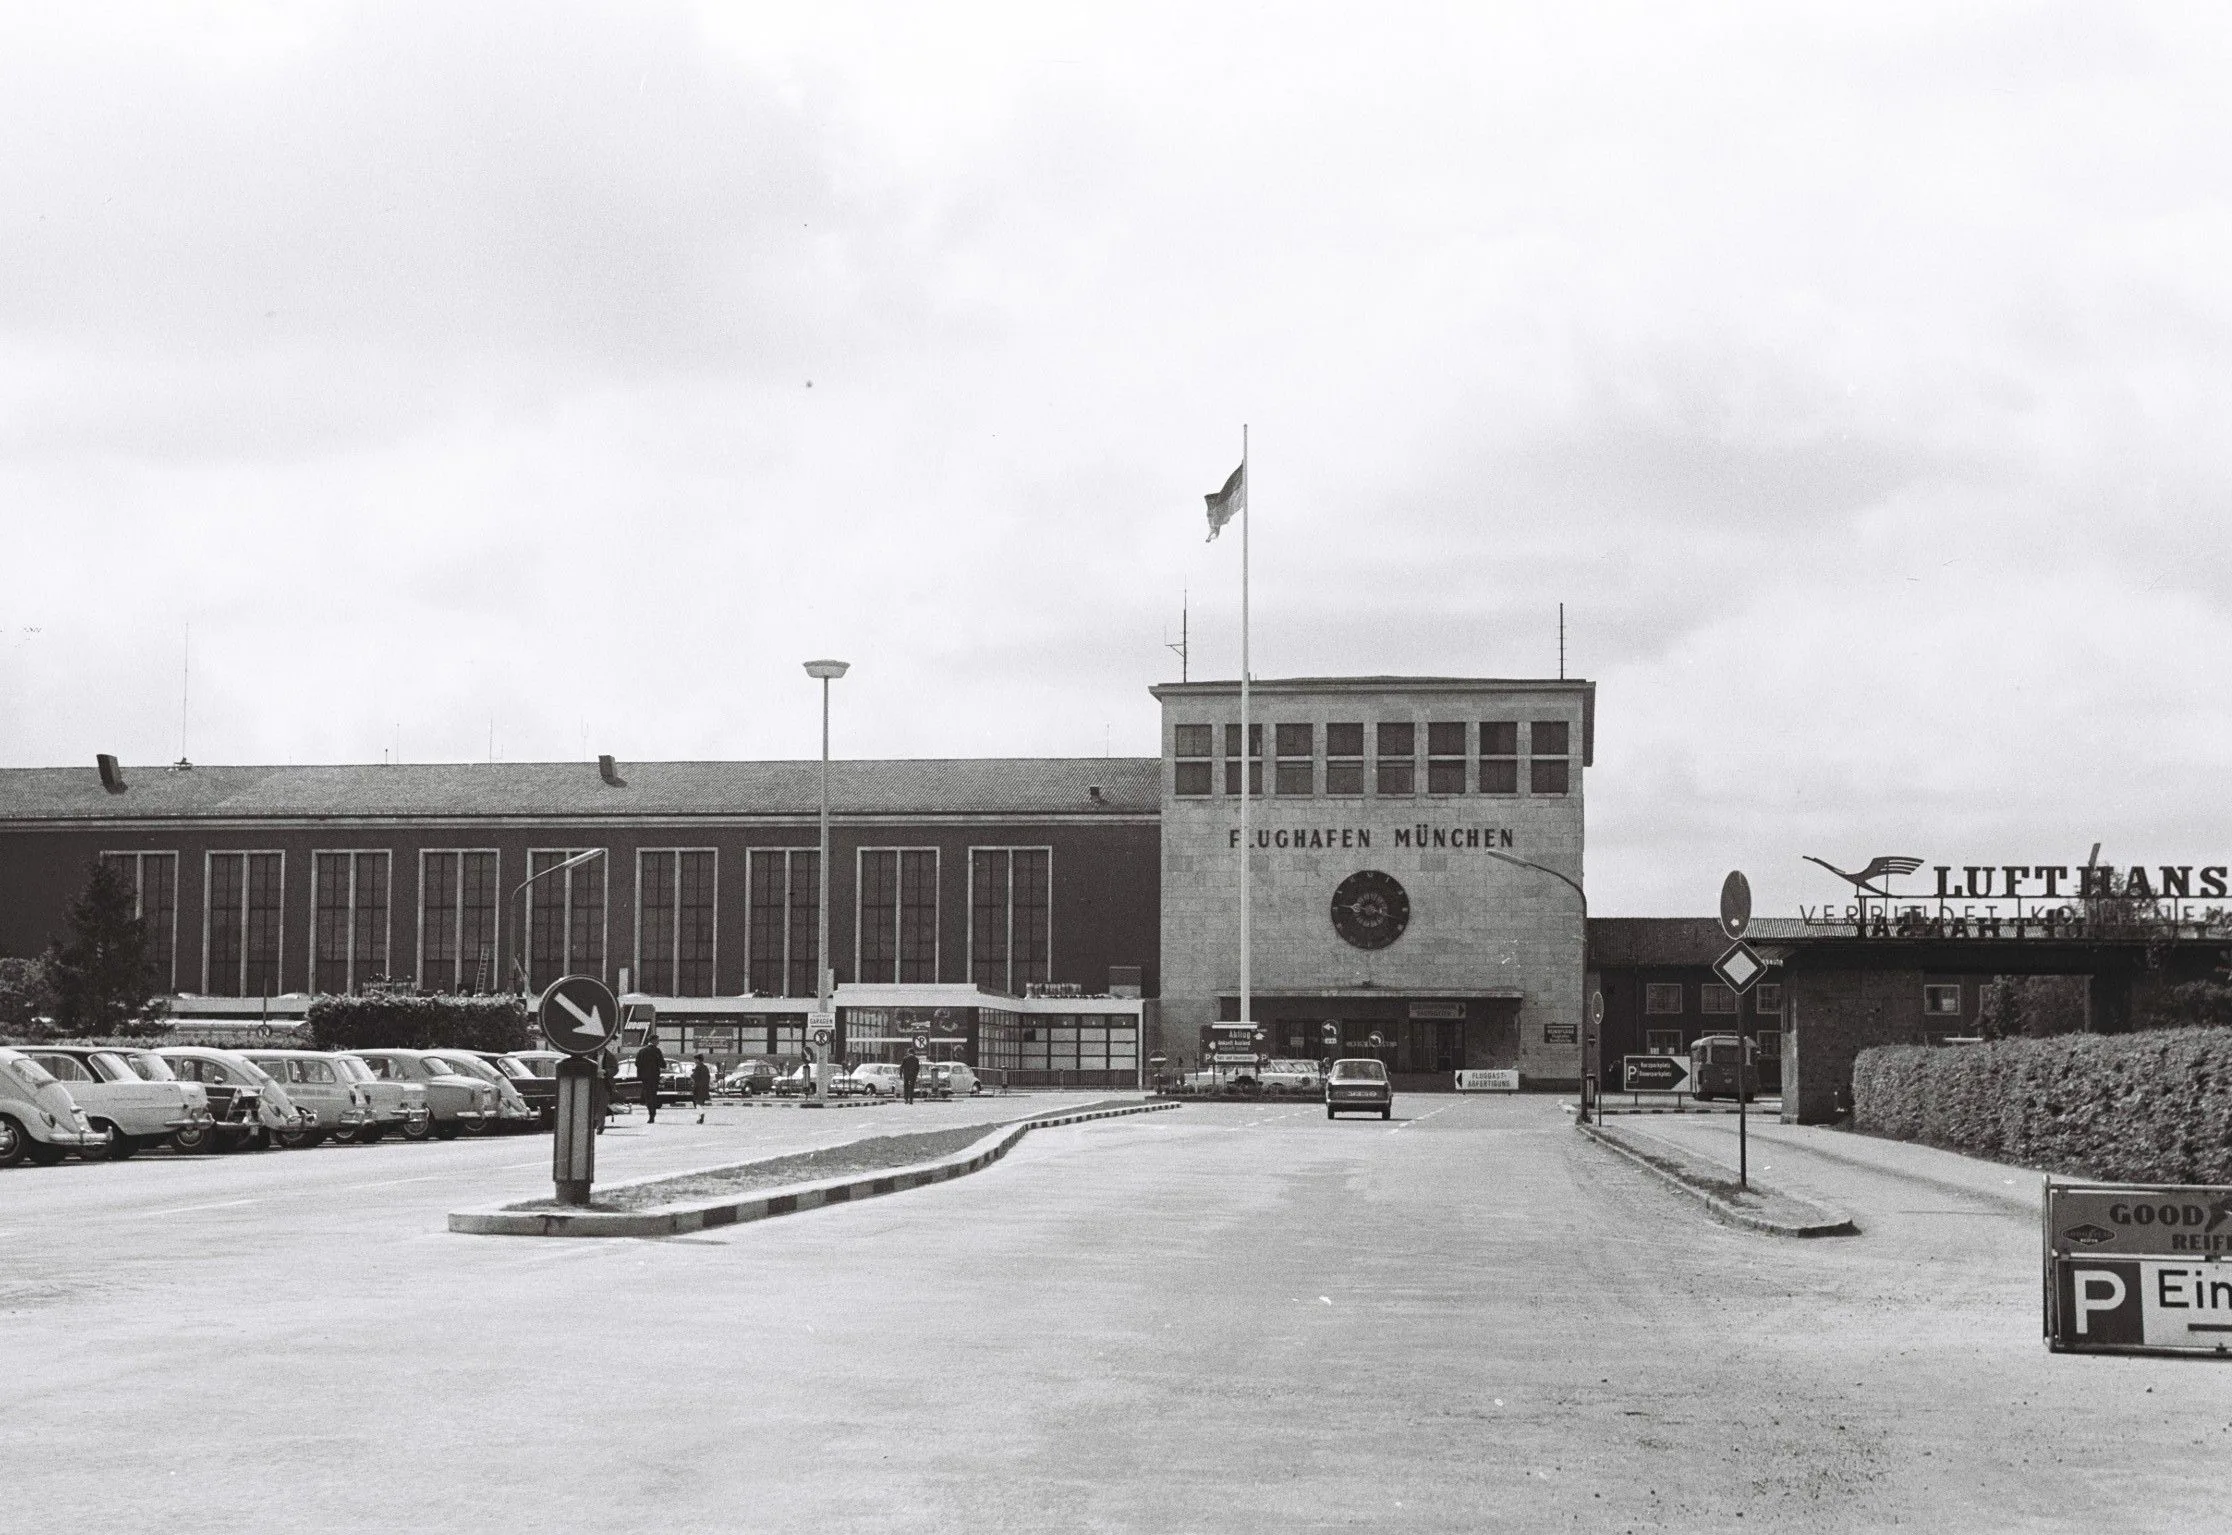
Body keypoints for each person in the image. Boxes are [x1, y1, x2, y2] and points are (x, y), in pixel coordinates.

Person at [635, 1036, 666, 1124]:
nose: (658, 1042)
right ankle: (652, 1114)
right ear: (653, 1040)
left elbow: (637, 1063)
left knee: (648, 1095)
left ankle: (651, 1113)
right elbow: (663, 1064)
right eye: (657, 1040)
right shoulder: (657, 1051)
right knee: (653, 1095)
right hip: (654, 1077)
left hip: (645, 1078)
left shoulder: (642, 1051)